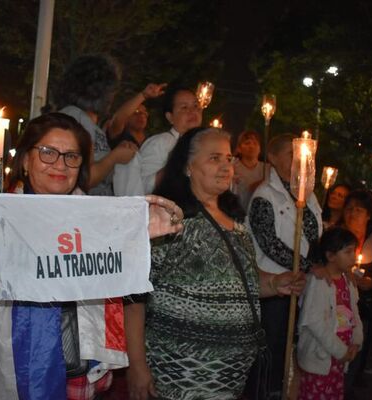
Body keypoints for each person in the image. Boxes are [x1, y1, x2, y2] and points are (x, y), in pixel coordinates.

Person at [0, 112, 184, 400]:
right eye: (48, 152)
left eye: (71, 156)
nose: (60, 165)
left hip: (79, 374)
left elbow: (126, 291)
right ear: (25, 160)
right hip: (11, 366)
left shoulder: (100, 220)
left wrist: (137, 235)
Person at [125, 127, 306, 400]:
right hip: (178, 376)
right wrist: (137, 366)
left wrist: (275, 283)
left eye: (229, 158)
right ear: (187, 167)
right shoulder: (167, 221)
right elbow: (133, 296)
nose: (225, 167)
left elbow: (243, 282)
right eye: (214, 159)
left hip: (230, 381)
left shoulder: (237, 226)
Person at [246, 133, 323, 398]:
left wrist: (313, 263)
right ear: (274, 158)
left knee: (287, 348)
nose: (299, 161)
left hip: (298, 284)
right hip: (272, 286)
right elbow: (269, 242)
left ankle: (279, 390)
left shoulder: (307, 195)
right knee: (269, 348)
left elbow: (314, 234)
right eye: (292, 155)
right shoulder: (265, 196)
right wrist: (305, 265)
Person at [54, 54, 138, 196]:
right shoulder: (74, 117)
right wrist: (115, 157)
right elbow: (82, 178)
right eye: (111, 91)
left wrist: (120, 153)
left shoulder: (90, 123)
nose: (112, 97)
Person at [298, 227, 363, 400]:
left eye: (354, 252)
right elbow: (314, 321)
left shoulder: (348, 281)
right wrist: (340, 350)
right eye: (348, 252)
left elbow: (354, 312)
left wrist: (356, 340)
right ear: (331, 255)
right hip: (322, 354)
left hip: (340, 357)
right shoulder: (319, 281)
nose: (354, 257)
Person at [339, 189, 372, 392]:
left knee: (356, 353)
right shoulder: (333, 236)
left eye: (359, 210)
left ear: (368, 214)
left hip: (364, 309)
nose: (353, 213)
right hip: (336, 306)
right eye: (349, 209)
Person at [113, 86, 203, 196]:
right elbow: (142, 186)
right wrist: (176, 163)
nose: (192, 111)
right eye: (184, 107)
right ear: (170, 117)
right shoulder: (160, 142)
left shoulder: (203, 145)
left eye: (195, 105)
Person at [106, 83, 167, 147]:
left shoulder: (152, 140)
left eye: (145, 112)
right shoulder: (118, 134)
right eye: (136, 112)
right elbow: (118, 118)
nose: (142, 115)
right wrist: (144, 95)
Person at [232, 130, 266, 211]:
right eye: (247, 143)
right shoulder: (233, 167)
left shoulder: (267, 169)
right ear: (239, 148)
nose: (251, 146)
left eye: (255, 143)